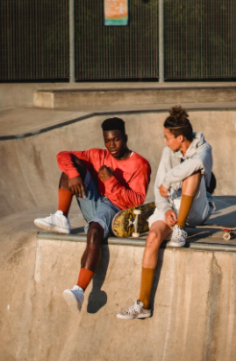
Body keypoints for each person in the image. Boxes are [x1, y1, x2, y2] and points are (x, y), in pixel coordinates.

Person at [33, 117, 151, 312]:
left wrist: (112, 181)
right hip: (95, 202)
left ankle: (79, 290)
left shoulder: (140, 164)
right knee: (70, 170)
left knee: (95, 230)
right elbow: (62, 155)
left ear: (126, 137)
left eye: (116, 140)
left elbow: (136, 202)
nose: (112, 145)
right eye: (107, 140)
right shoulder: (98, 155)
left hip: (116, 209)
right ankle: (61, 217)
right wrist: (73, 174)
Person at [116, 106, 214, 320]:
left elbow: (195, 164)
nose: (164, 141)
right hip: (173, 206)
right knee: (152, 238)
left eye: (167, 137)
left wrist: (169, 180)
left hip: (196, 209)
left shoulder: (203, 149)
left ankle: (180, 229)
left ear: (180, 138)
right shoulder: (167, 153)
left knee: (192, 173)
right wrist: (166, 208)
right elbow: (159, 187)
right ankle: (143, 304)